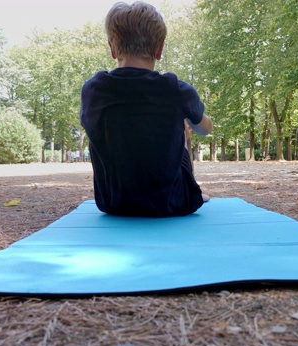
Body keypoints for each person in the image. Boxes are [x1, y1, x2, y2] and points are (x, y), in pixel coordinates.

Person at [79, 1, 213, 217]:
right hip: (171, 204)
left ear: (112, 48)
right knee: (181, 124)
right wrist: (190, 119)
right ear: (159, 49)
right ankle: (193, 192)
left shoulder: (92, 91)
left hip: (112, 204)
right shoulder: (176, 89)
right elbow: (205, 129)